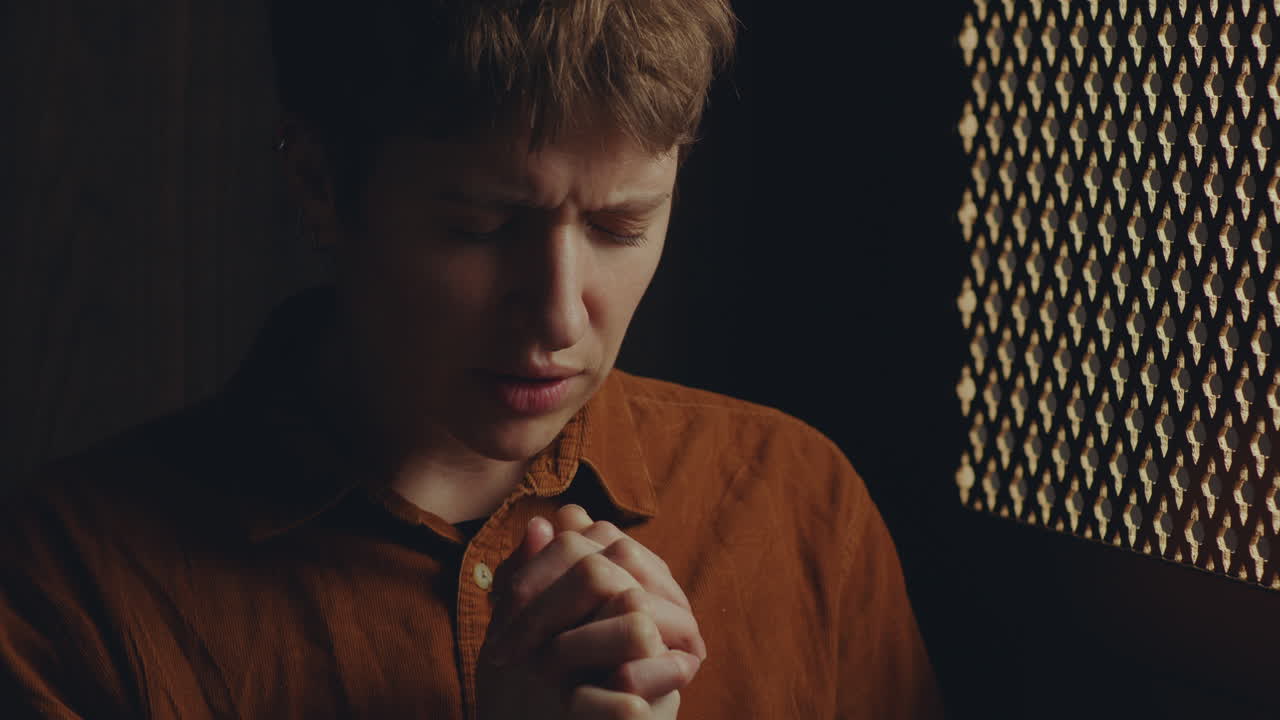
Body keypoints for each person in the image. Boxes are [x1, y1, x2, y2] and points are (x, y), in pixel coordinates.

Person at [0, 0, 944, 717]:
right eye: (480, 227)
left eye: (622, 225)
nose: (559, 315)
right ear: (319, 184)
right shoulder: (73, 582)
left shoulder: (799, 505)